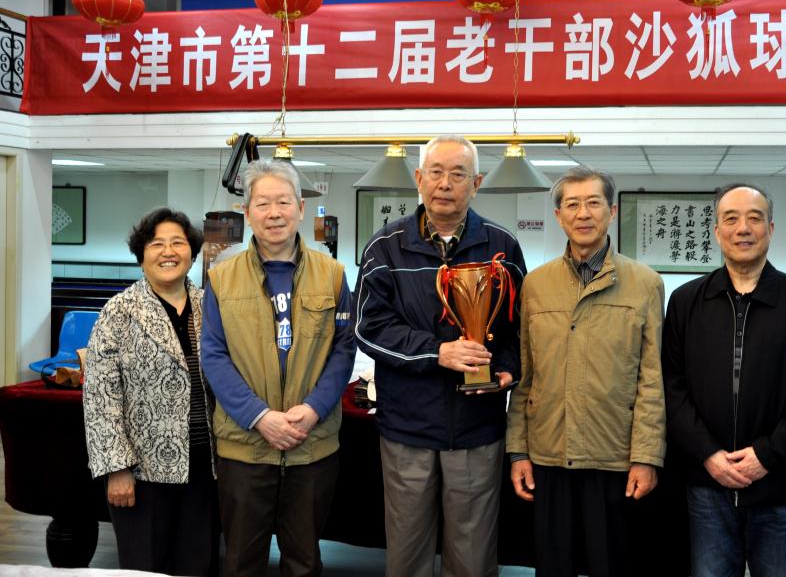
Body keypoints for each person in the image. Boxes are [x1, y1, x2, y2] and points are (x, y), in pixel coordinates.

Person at [353, 135, 526, 577]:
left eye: (458, 174)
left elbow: (520, 328)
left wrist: (507, 368)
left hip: (477, 429)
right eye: (435, 172)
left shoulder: (502, 245)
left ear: (476, 183)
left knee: (473, 557)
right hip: (407, 430)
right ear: (419, 178)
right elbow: (369, 328)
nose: (445, 184)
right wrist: (438, 352)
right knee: (407, 555)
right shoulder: (385, 246)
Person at [661, 183, 786, 577]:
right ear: (716, 231)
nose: (743, 228)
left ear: (771, 229)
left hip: (780, 485)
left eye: (754, 218)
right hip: (707, 485)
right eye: (731, 219)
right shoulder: (687, 301)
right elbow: (672, 386)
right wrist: (708, 453)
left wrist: (767, 455)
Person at [506, 166, 665, 577]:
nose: (583, 213)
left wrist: (646, 457)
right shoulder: (536, 285)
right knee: (552, 566)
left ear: (611, 211)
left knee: (611, 565)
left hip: (613, 457)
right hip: (548, 454)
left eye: (593, 203)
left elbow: (651, 380)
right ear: (558, 216)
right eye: (572, 204)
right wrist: (518, 451)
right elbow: (526, 376)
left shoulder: (644, 284)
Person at [201, 159, 355, 577]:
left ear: (300, 208)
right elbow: (213, 355)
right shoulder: (221, 278)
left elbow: (343, 349)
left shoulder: (333, 275)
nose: (274, 213)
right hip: (245, 447)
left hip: (311, 446)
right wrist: (259, 416)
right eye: (263, 203)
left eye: (284, 202)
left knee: (304, 562)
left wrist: (314, 409)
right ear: (247, 212)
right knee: (241, 562)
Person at [83, 207, 218, 575]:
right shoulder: (118, 311)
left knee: (199, 564)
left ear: (192, 253)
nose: (168, 252)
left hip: (204, 466)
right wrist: (117, 469)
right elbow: (100, 398)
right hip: (142, 472)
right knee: (145, 567)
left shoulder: (210, 306)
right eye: (157, 244)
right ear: (141, 255)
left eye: (178, 243)